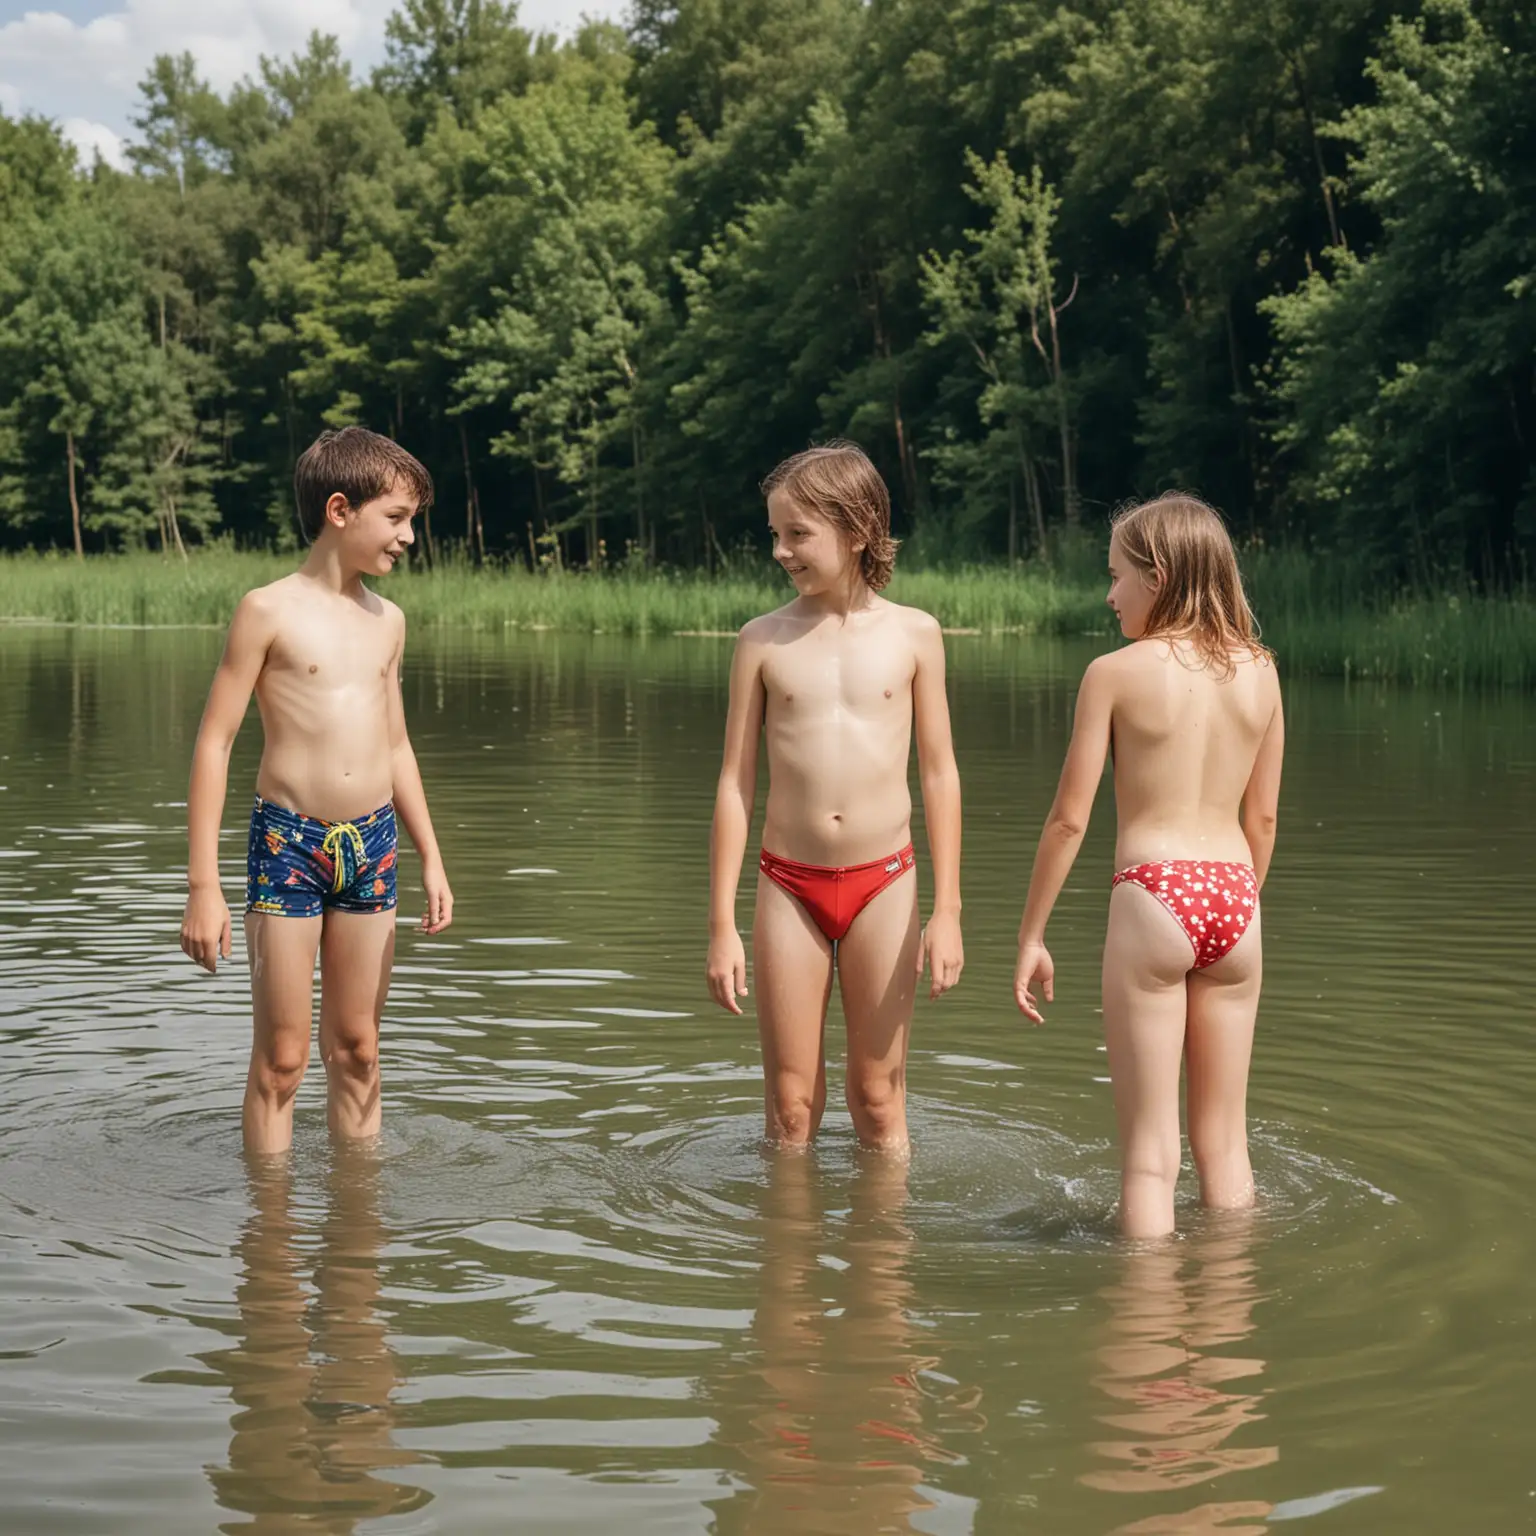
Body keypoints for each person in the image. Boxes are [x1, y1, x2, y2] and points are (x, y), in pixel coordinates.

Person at [1013, 493, 1283, 1238]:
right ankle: (1229, 1327)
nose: (1108, 594)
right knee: (1226, 1145)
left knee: (1147, 1158)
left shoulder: (1113, 673)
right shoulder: (1261, 670)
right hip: (1235, 897)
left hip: (1154, 891)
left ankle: (1145, 1332)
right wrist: (1233, 909)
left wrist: (1033, 934)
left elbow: (1070, 818)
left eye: (1117, 575)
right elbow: (1261, 818)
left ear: (1158, 576)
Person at [179, 427, 453, 1153]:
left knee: (359, 1049)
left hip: (373, 842)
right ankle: (270, 1245)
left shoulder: (388, 622)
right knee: (283, 1059)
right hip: (287, 843)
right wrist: (202, 886)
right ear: (340, 509)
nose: (409, 538)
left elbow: (395, 742)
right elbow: (215, 742)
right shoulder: (267, 610)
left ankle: (356, 1234)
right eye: (396, 518)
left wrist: (431, 853)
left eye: (413, 521)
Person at [706, 441, 963, 1154]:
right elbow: (735, 781)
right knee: (790, 1110)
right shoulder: (762, 641)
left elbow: (939, 772)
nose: (781, 551)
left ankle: (881, 1265)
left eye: (797, 534)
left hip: (887, 882)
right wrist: (721, 922)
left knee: (878, 1101)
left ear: (856, 530)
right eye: (774, 535)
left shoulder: (916, 636)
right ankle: (787, 1260)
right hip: (789, 884)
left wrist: (949, 911)